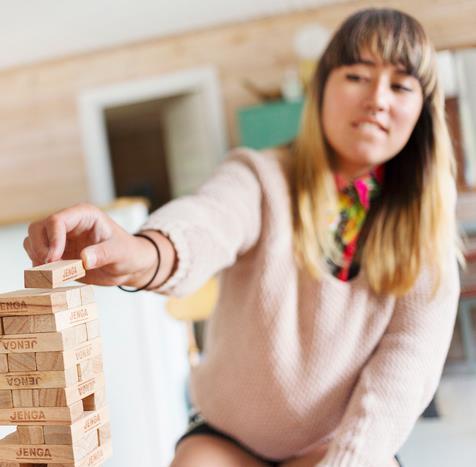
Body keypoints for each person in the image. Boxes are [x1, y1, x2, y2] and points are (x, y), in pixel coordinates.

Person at [24, 7, 462, 467]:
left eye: (400, 85)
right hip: (226, 441)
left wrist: (345, 462)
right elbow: (209, 221)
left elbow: (404, 371)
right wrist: (140, 252)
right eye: (357, 74)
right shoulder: (261, 177)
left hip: (337, 446)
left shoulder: (426, 231)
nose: (377, 98)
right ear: (322, 88)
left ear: (422, 110)